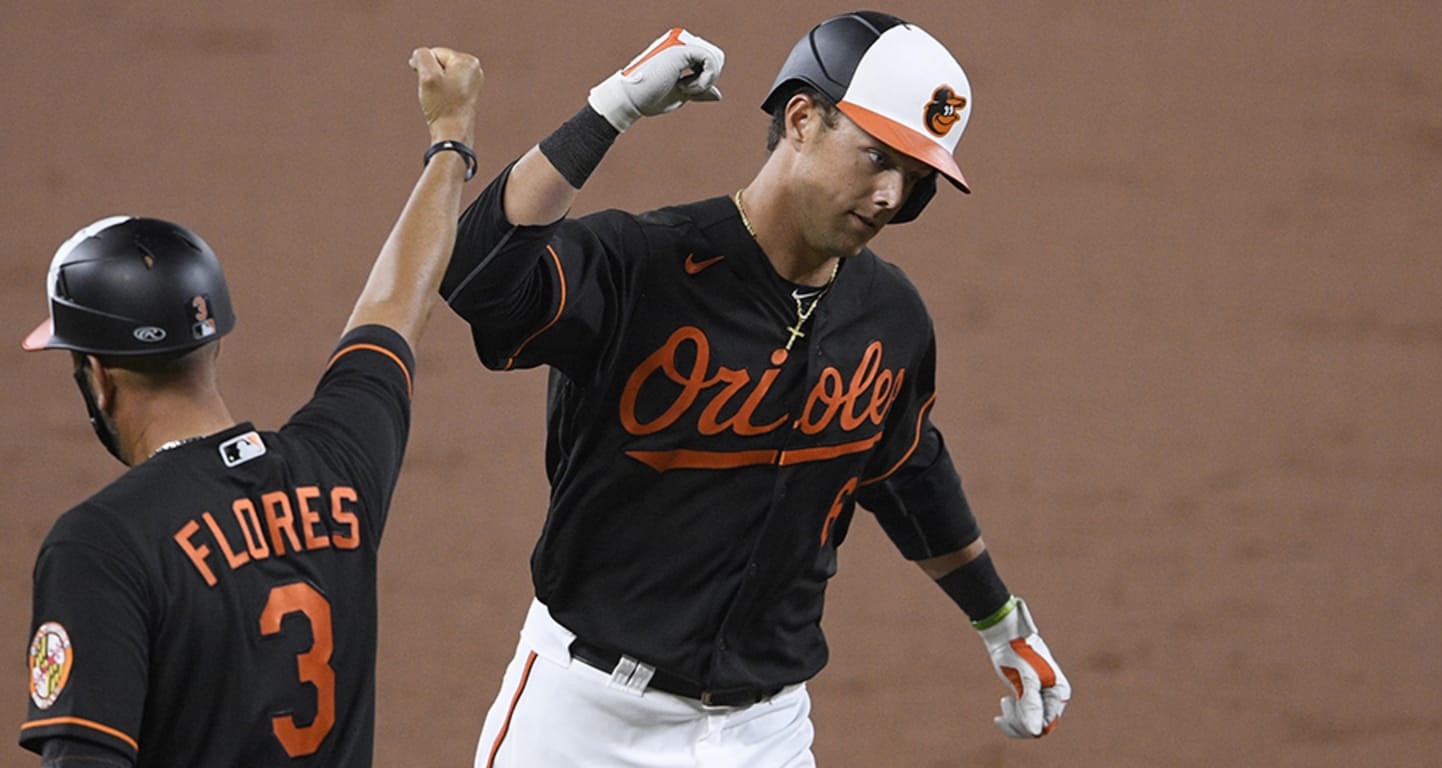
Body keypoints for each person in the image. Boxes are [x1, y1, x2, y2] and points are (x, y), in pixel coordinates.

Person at [440, 12, 1070, 765]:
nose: (890, 196)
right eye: (877, 158)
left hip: (764, 734)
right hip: (587, 721)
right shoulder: (643, 265)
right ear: (801, 119)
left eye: (916, 178)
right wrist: (610, 110)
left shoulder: (889, 316)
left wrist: (1003, 622)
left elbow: (908, 473)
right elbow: (478, 278)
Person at [17, 47, 482, 767]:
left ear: (99, 378)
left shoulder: (102, 544)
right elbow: (395, 305)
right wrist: (451, 136)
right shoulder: (339, 465)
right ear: (215, 348)